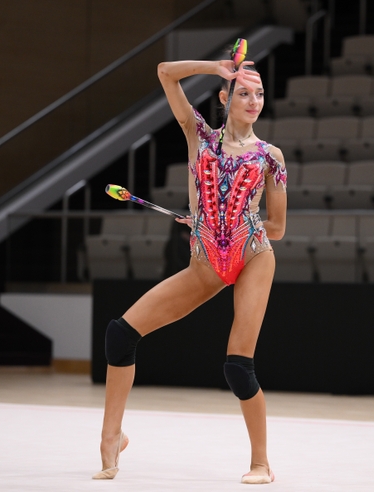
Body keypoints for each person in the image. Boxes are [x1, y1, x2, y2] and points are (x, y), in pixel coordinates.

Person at [93, 56, 287, 485]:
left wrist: (229, 223)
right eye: (243, 92)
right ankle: (112, 437)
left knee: (238, 366)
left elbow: (277, 226)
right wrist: (215, 66)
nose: (253, 100)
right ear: (225, 97)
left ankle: (261, 463)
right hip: (206, 262)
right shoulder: (199, 136)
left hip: (253, 255)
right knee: (120, 335)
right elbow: (164, 71)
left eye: (258, 93)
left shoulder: (270, 157)